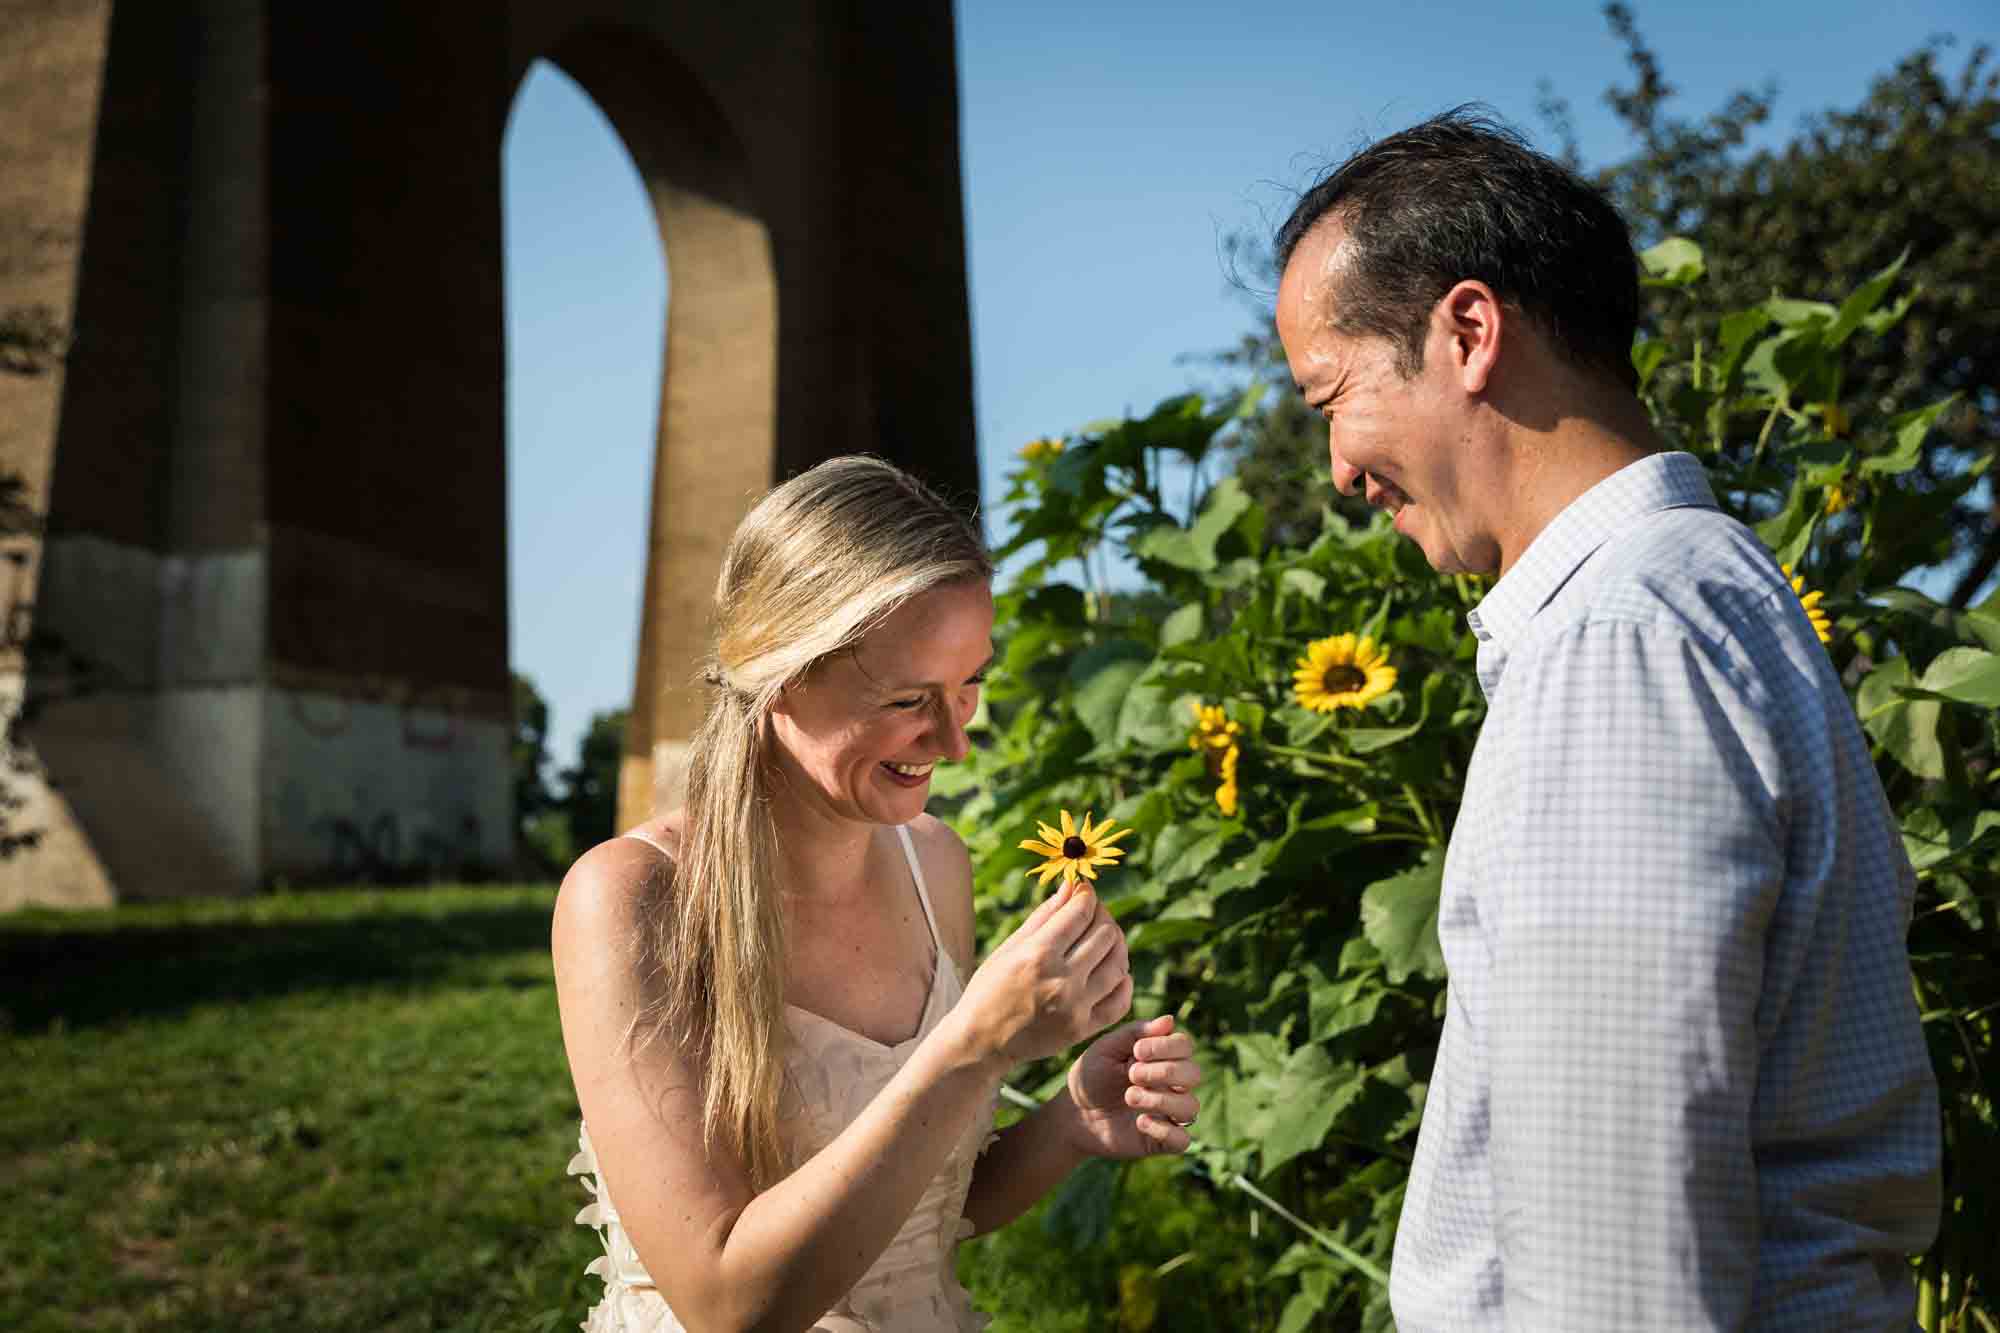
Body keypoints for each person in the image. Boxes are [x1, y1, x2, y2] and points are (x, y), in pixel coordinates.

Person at [1271, 109, 1940, 1329]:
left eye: (1329, 397)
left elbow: (1618, 1240)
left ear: (1467, 333)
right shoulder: (1711, 590)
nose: (1337, 471)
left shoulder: (1613, 643)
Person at [551, 455, 1201, 1333]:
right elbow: (725, 1302)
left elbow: (915, 1219)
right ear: (780, 673)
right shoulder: (630, 899)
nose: (954, 741)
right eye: (909, 699)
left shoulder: (936, 866)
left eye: (969, 685)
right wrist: (972, 1047)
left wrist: (1069, 1123)